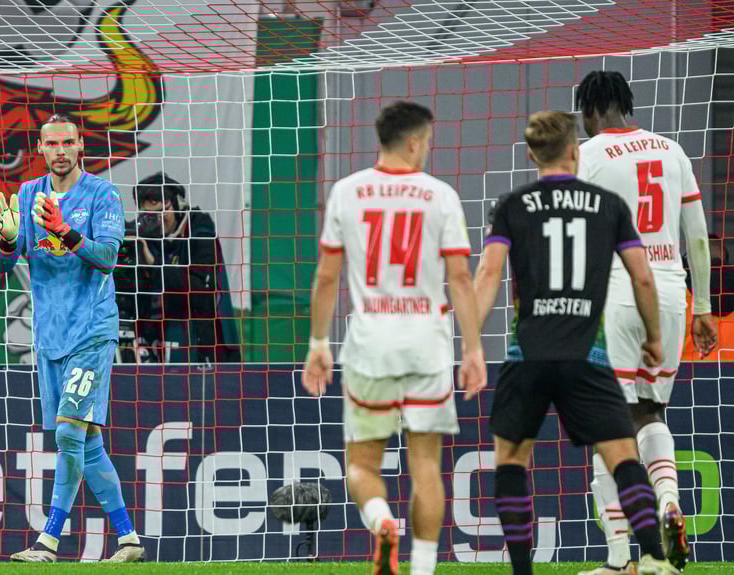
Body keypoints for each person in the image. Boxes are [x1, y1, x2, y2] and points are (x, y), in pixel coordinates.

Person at [474, 110, 678, 575]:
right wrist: (654, 339)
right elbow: (643, 278)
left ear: (530, 155)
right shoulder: (608, 205)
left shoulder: (513, 205)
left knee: (511, 460)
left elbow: (487, 274)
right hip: (588, 352)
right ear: (574, 151)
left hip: (528, 353)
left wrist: (470, 341)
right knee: (622, 454)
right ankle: (653, 557)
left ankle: (522, 571)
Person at [301, 101, 487, 575]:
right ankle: (422, 568)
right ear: (412, 141)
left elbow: (326, 278)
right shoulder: (440, 195)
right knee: (425, 465)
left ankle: (382, 522)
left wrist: (318, 344)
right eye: (426, 141)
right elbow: (461, 279)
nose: (427, 149)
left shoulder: (347, 192)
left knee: (362, 464)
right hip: (427, 341)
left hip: (370, 344)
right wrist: (473, 349)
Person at [575, 70, 718, 574]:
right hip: (671, 295)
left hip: (617, 293)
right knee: (651, 410)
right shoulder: (672, 150)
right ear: (625, 105)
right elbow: (697, 235)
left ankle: (618, 560)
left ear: (590, 111)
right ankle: (667, 503)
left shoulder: (587, 155)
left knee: (605, 424)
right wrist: (702, 307)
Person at [0, 114, 145, 563]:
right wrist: (7, 240)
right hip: (49, 338)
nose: (60, 150)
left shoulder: (102, 194)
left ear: (81, 146)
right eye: (51, 143)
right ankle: (129, 539)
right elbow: (4, 266)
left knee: (68, 436)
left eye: (68, 142)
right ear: (40, 149)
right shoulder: (27, 194)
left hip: (92, 332)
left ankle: (48, 541)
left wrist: (66, 232)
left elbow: (108, 257)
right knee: (84, 442)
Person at [132, 172, 241, 363]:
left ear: (178, 204)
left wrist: (154, 265)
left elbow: (200, 290)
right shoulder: (145, 237)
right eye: (149, 215)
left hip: (205, 345)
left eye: (161, 212)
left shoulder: (200, 230)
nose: (157, 220)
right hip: (159, 344)